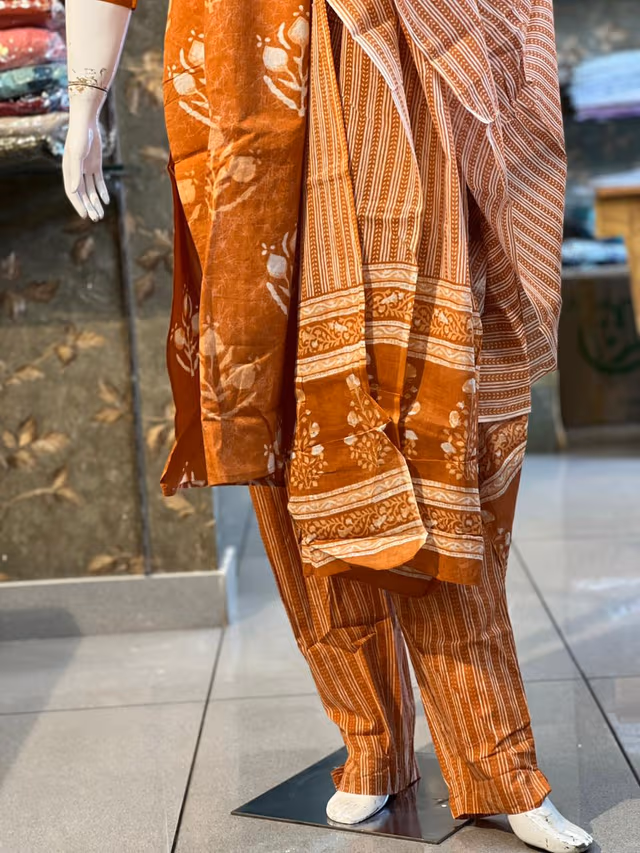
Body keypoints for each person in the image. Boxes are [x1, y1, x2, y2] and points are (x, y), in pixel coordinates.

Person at [62, 1, 594, 850]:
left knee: (429, 424)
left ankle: (499, 757)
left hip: (399, 76)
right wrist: (82, 103)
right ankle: (369, 738)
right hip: (245, 86)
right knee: (289, 428)